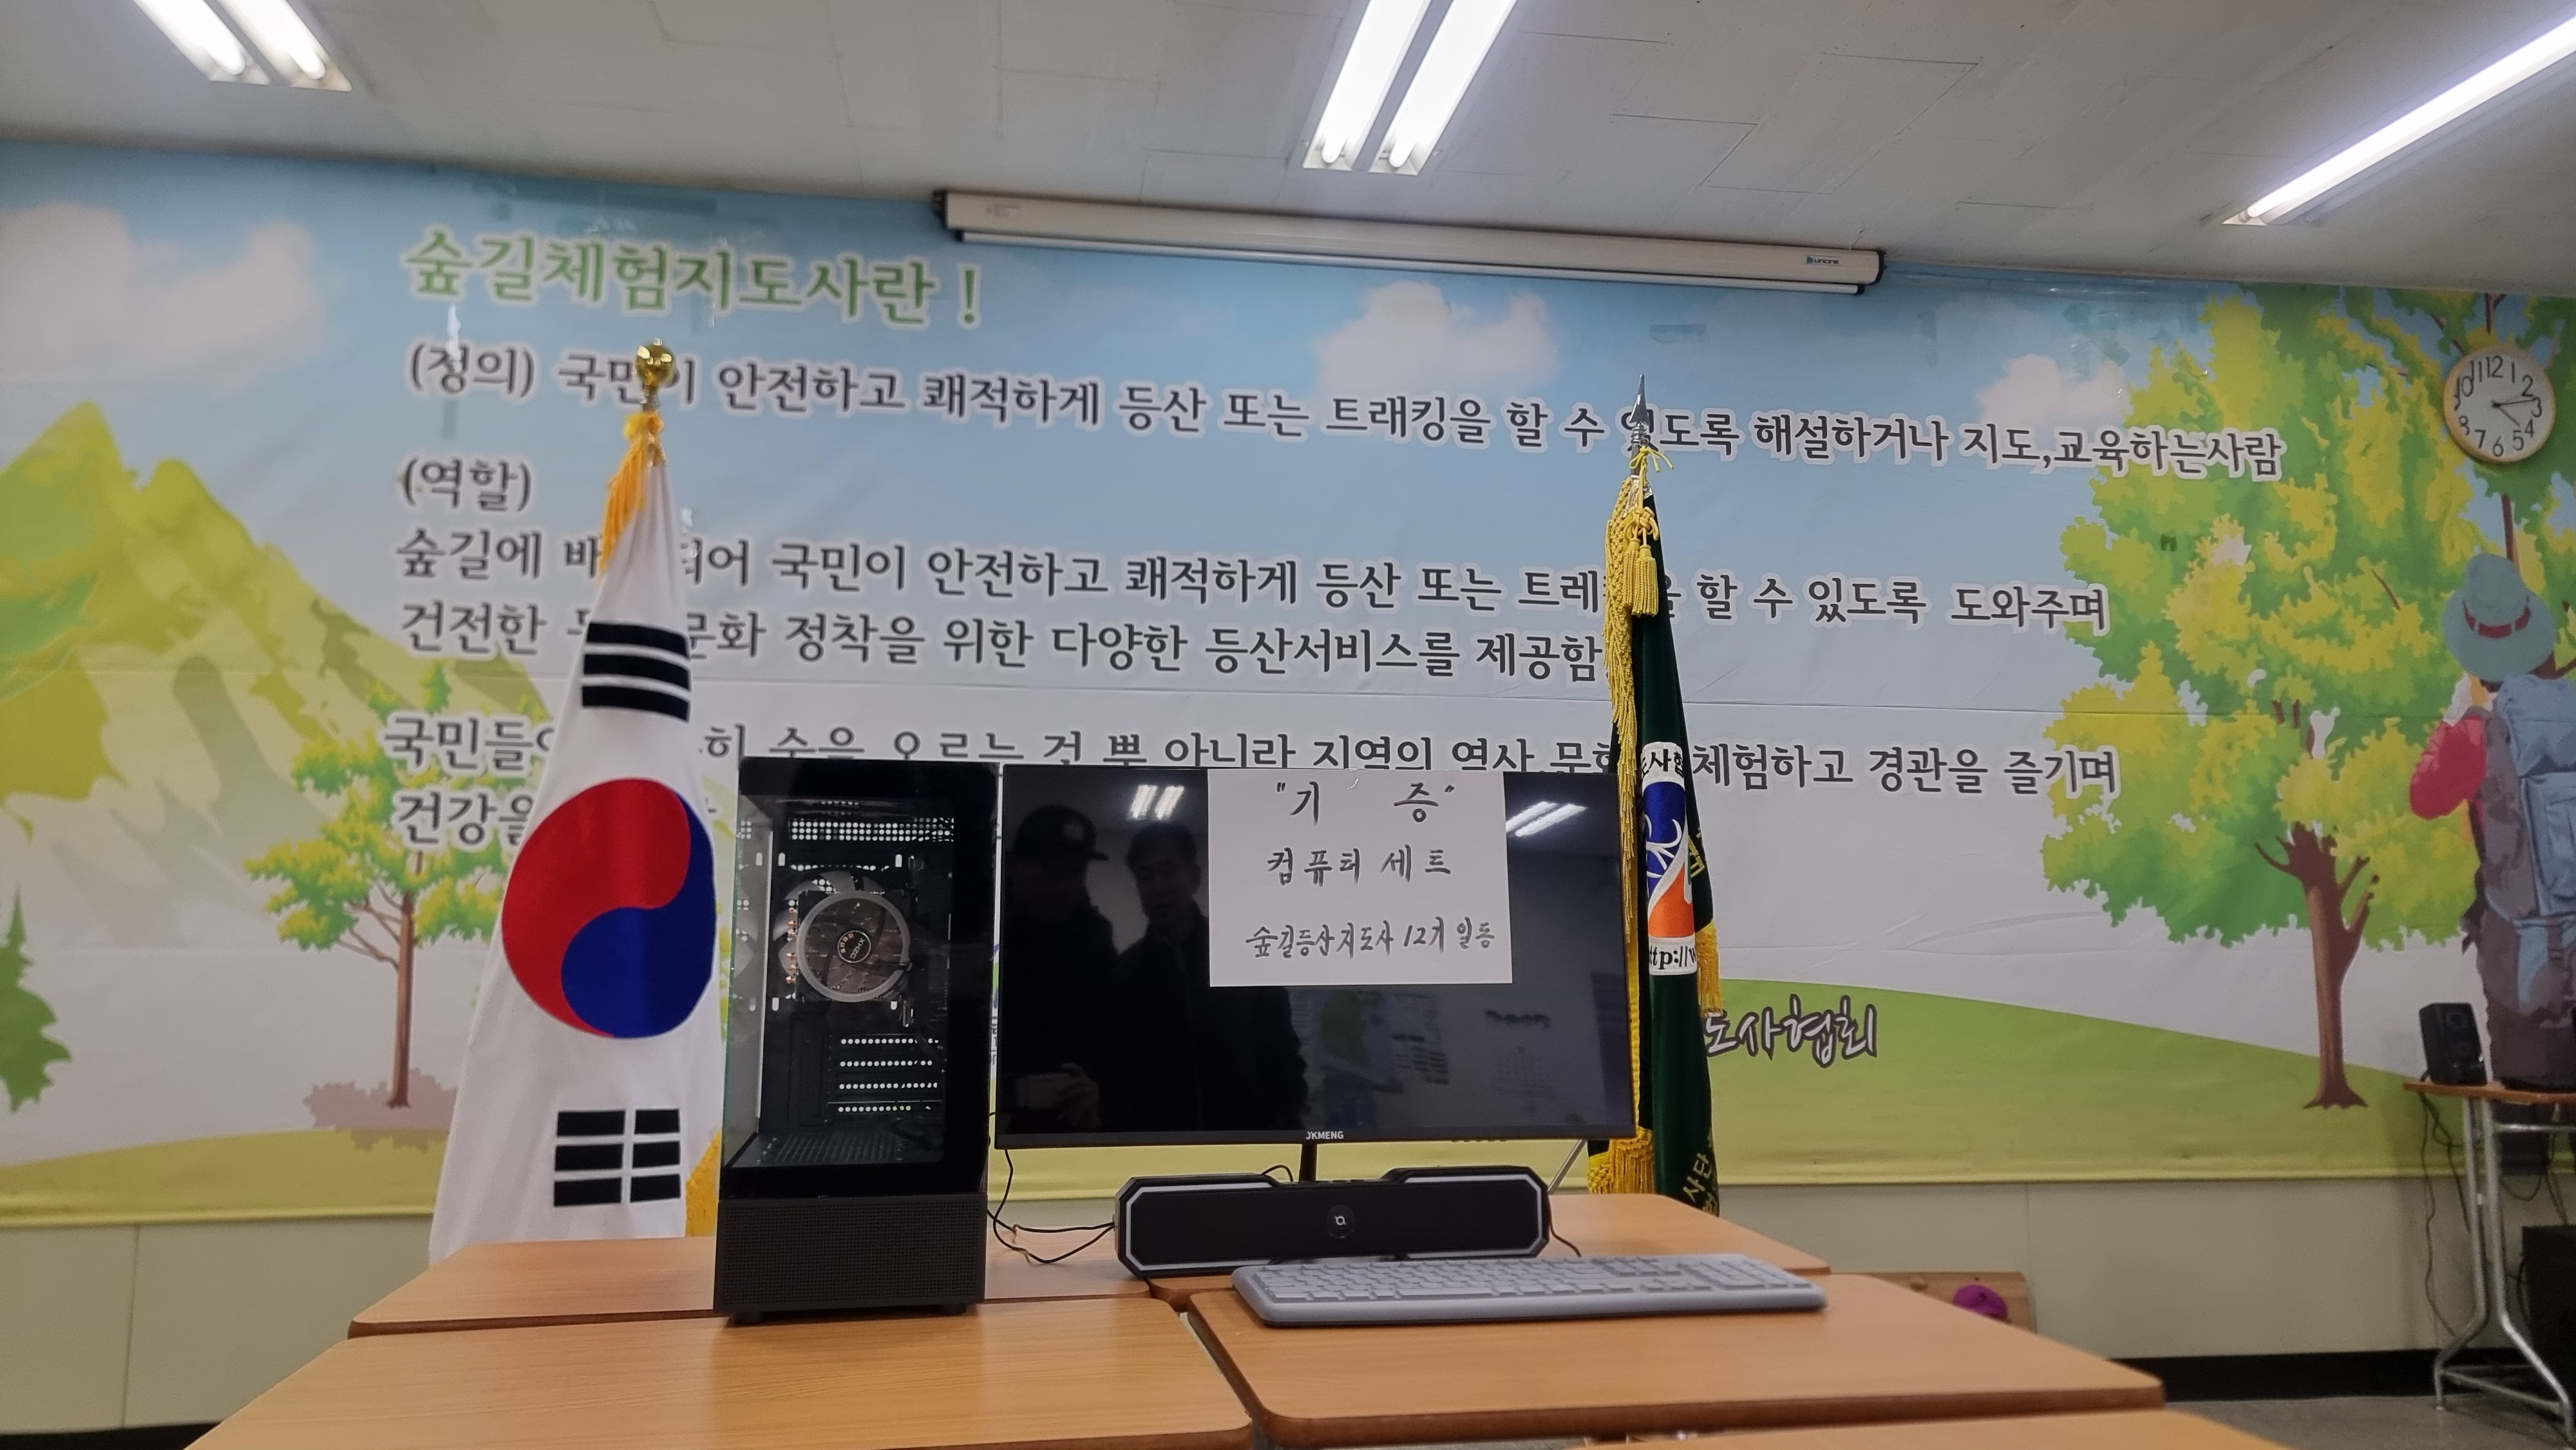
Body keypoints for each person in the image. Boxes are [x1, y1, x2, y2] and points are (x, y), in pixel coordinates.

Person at [2410, 553, 2576, 1113]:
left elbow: (2425, 799)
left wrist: (2451, 721)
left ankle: (2521, 1165)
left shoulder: (2476, 733)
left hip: (2520, 942)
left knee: (2523, 1097)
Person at [1103, 821, 1309, 1133]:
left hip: (1252, 1140)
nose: (1158, 887)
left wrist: (1282, 1119)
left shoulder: (1243, 953)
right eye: (1146, 876)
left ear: (1194, 877)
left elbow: (1282, 1052)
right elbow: (1123, 1075)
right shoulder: (1127, 973)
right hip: (1163, 1147)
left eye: (1168, 871)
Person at [995, 804, 1118, 1133]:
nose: (1066, 886)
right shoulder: (984, 930)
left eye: (1076, 872)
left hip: (1076, 1121)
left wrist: (1102, 1093)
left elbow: (1115, 1034)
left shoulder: (1094, 938)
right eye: (1053, 871)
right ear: (1017, 866)